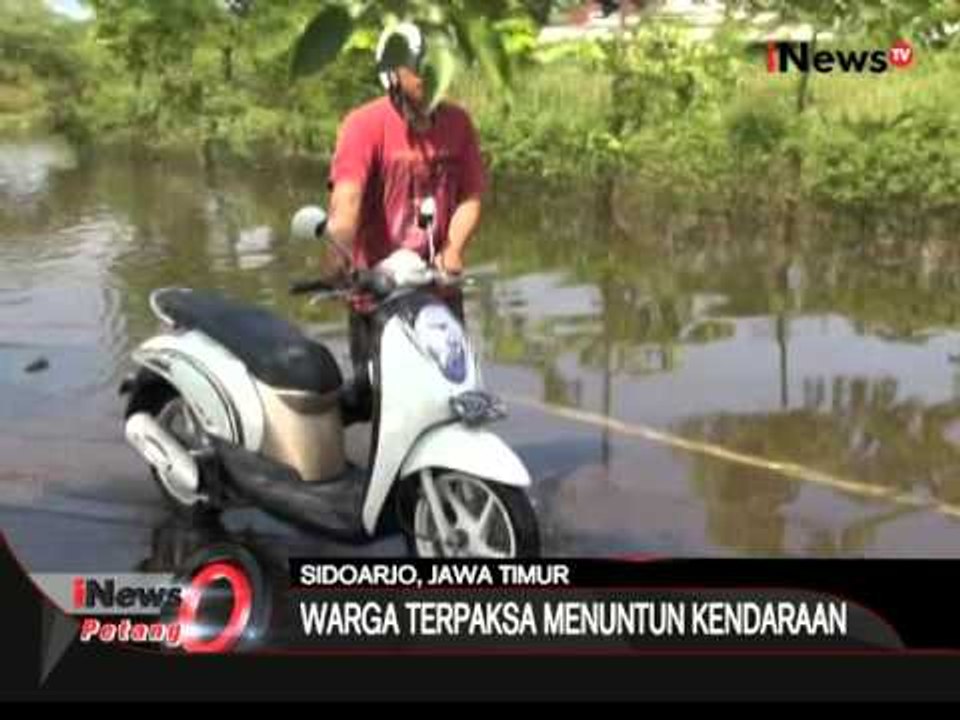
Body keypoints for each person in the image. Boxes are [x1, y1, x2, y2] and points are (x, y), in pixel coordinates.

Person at [324, 22, 488, 424]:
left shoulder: (458, 124)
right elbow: (347, 197)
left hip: (439, 289)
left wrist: (453, 250)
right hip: (378, 291)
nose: (433, 80)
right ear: (392, 73)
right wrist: (336, 258)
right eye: (421, 70)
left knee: (454, 392)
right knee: (379, 403)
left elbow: (471, 196)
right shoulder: (364, 125)